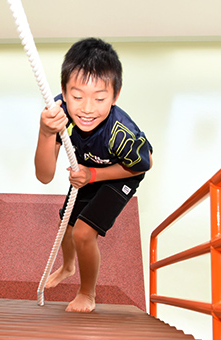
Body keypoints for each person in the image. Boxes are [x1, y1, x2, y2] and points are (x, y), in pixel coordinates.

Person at [35, 38, 153, 313]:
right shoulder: (59, 114)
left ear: (115, 96)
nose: (87, 108)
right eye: (77, 96)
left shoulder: (122, 133)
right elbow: (44, 175)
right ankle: (67, 266)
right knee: (67, 224)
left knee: (84, 233)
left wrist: (94, 175)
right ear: (63, 93)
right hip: (87, 170)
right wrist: (45, 133)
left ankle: (87, 293)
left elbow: (143, 165)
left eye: (99, 98)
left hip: (121, 174)